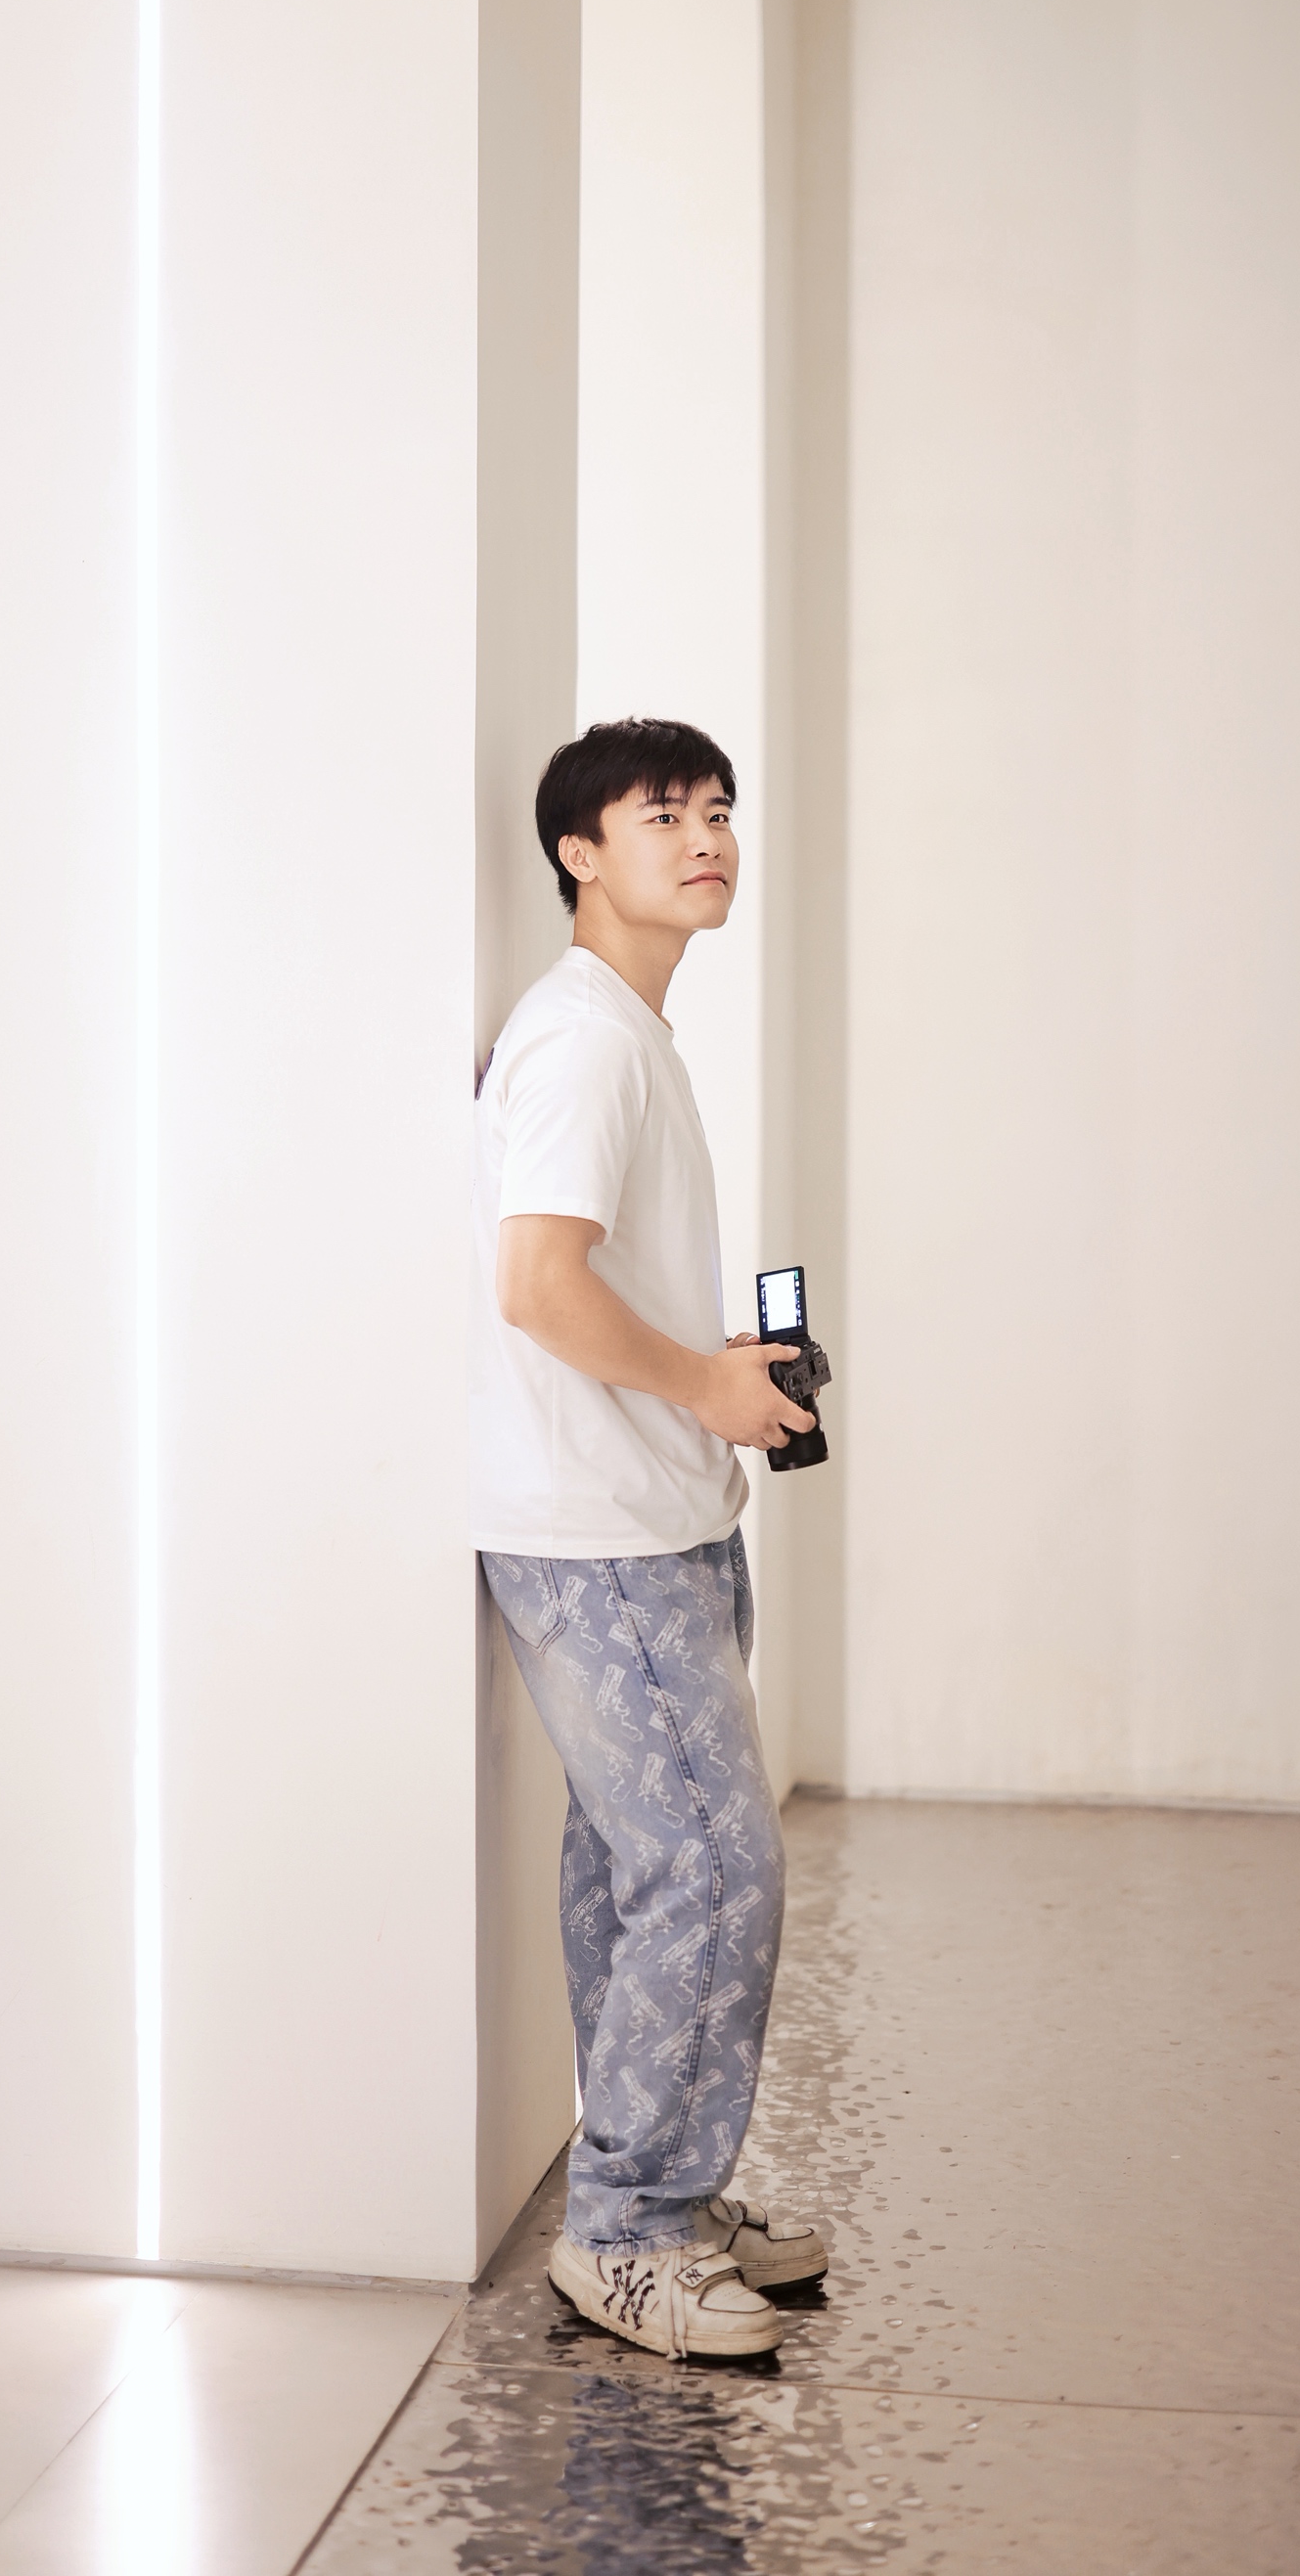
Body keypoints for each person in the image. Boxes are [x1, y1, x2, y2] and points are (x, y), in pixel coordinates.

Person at [471, 716, 829, 2363]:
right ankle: (623, 2232)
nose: (707, 839)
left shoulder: (627, 1031)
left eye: (719, 811)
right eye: (663, 814)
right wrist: (705, 1385)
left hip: (652, 1515)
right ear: (578, 852)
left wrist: (713, 1383)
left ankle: (657, 2195)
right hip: (598, 1532)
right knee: (711, 1865)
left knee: (636, 1869)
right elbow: (536, 1284)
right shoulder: (583, 1042)